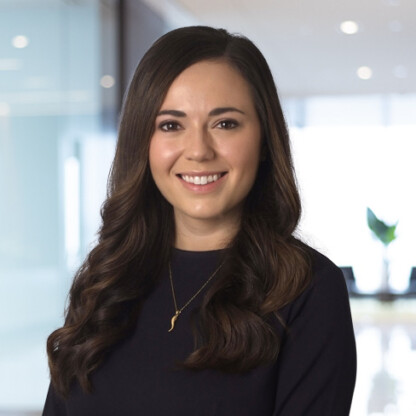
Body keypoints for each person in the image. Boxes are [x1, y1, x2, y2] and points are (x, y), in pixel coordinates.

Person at [43, 26, 356, 415]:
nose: (198, 151)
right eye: (171, 125)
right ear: (143, 142)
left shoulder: (307, 290)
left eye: (225, 123)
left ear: (264, 141)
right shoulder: (106, 278)